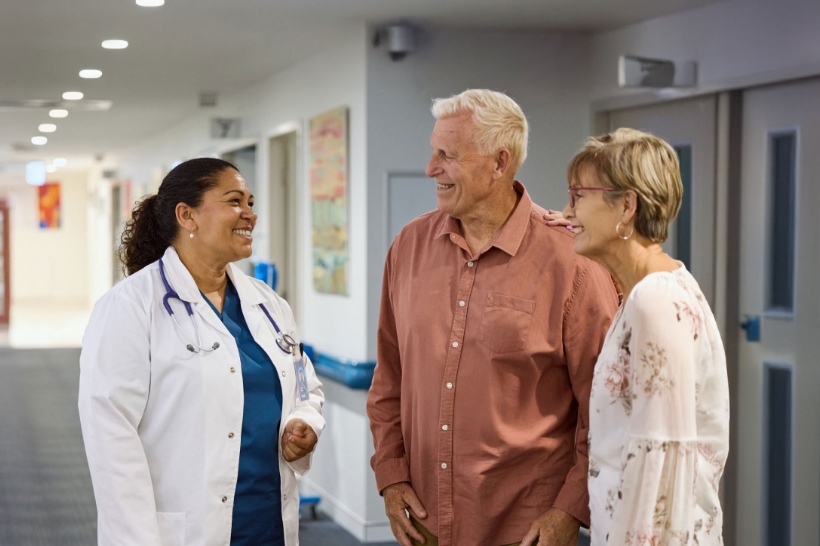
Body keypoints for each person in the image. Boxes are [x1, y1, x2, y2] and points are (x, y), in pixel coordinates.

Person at [366, 89, 619, 546]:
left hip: (526, 528)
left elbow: (604, 411)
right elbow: (389, 377)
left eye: (448, 155)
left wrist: (570, 510)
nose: (430, 168)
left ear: (500, 163)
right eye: (433, 151)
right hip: (425, 524)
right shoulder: (408, 247)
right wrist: (390, 475)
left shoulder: (573, 262)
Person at [78, 158, 325, 546]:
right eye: (234, 201)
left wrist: (305, 422)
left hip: (266, 520)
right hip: (183, 529)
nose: (250, 213)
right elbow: (112, 443)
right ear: (187, 216)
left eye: (251, 201)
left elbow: (304, 386)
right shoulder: (130, 306)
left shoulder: (267, 304)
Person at [561, 129, 729, 545]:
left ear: (627, 205)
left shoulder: (654, 299)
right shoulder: (648, 290)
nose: (566, 212)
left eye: (578, 196)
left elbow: (661, 462)